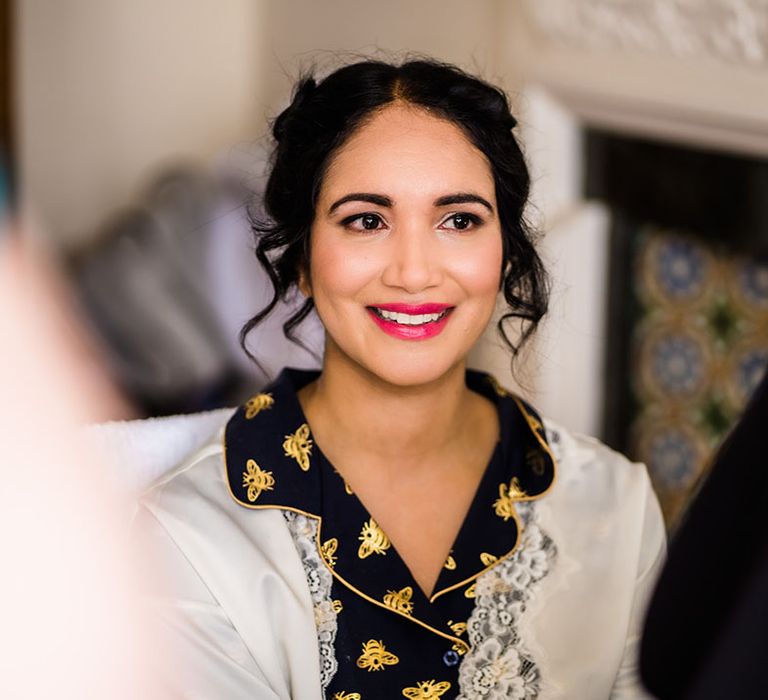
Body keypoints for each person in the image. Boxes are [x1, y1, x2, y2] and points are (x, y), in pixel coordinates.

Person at [133, 58, 665, 699]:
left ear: (504, 254)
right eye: (366, 220)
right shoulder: (192, 534)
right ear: (301, 257)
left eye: (459, 220)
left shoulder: (616, 504)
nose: (414, 272)